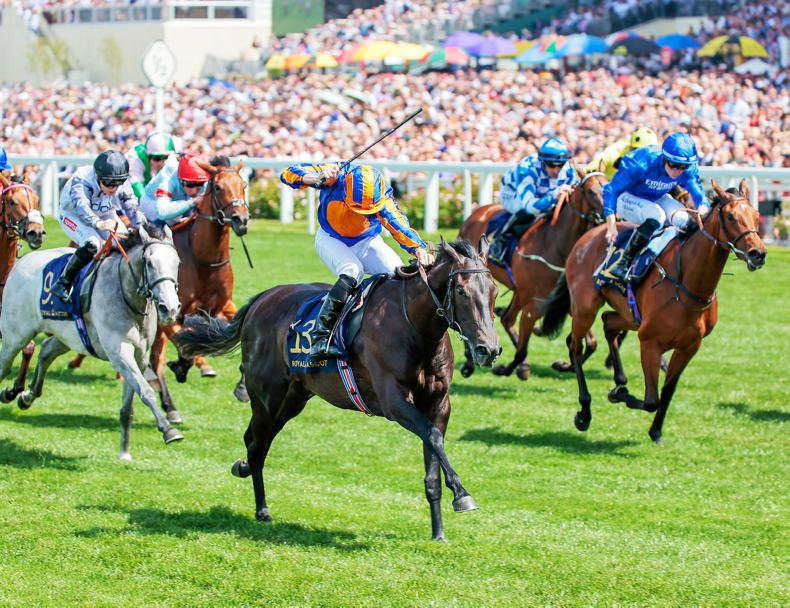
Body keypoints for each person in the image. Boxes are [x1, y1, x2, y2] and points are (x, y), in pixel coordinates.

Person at [280, 162, 434, 357]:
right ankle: (321, 337)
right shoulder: (335, 175)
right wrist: (316, 178)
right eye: (357, 208)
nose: (361, 214)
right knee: (352, 271)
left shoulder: (382, 197)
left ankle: (398, 334)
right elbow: (288, 173)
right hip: (331, 238)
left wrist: (419, 249)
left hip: (367, 240)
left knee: (398, 274)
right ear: (346, 188)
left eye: (367, 211)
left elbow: (398, 224)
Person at [600, 132, 711, 282]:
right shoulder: (642, 162)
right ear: (664, 158)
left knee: (683, 218)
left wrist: (703, 207)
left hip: (657, 196)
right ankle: (623, 262)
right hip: (627, 197)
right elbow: (610, 190)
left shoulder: (688, 169)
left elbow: (699, 195)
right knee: (657, 216)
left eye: (683, 167)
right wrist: (611, 225)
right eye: (673, 164)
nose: (678, 171)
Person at [52, 150, 147, 302]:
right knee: (94, 243)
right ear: (97, 176)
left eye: (118, 183)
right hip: (73, 215)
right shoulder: (82, 179)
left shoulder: (121, 183)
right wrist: (98, 223)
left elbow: (132, 207)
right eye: (108, 183)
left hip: (105, 214)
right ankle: (63, 283)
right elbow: (82, 207)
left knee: (126, 242)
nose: (114, 188)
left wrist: (144, 228)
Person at [489, 137, 578, 265]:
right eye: (551, 165)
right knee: (531, 211)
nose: (556, 170)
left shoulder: (568, 170)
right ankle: (500, 241)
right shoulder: (527, 169)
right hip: (513, 193)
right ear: (542, 161)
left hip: (543, 192)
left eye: (560, 165)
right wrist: (553, 195)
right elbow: (529, 206)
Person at [139, 154, 210, 226]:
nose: (195, 190)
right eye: (190, 184)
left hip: (178, 199)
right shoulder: (168, 179)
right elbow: (162, 213)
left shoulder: (202, 178)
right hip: (152, 203)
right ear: (181, 180)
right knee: (172, 220)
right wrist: (192, 202)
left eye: (200, 183)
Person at [585, 126, 659, 180]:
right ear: (631, 147)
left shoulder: (656, 158)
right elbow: (591, 169)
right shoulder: (615, 151)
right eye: (639, 150)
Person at [125, 132, 178, 199]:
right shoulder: (135, 157)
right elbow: (137, 187)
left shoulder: (170, 156)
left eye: (165, 157)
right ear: (148, 155)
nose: (161, 163)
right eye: (157, 158)